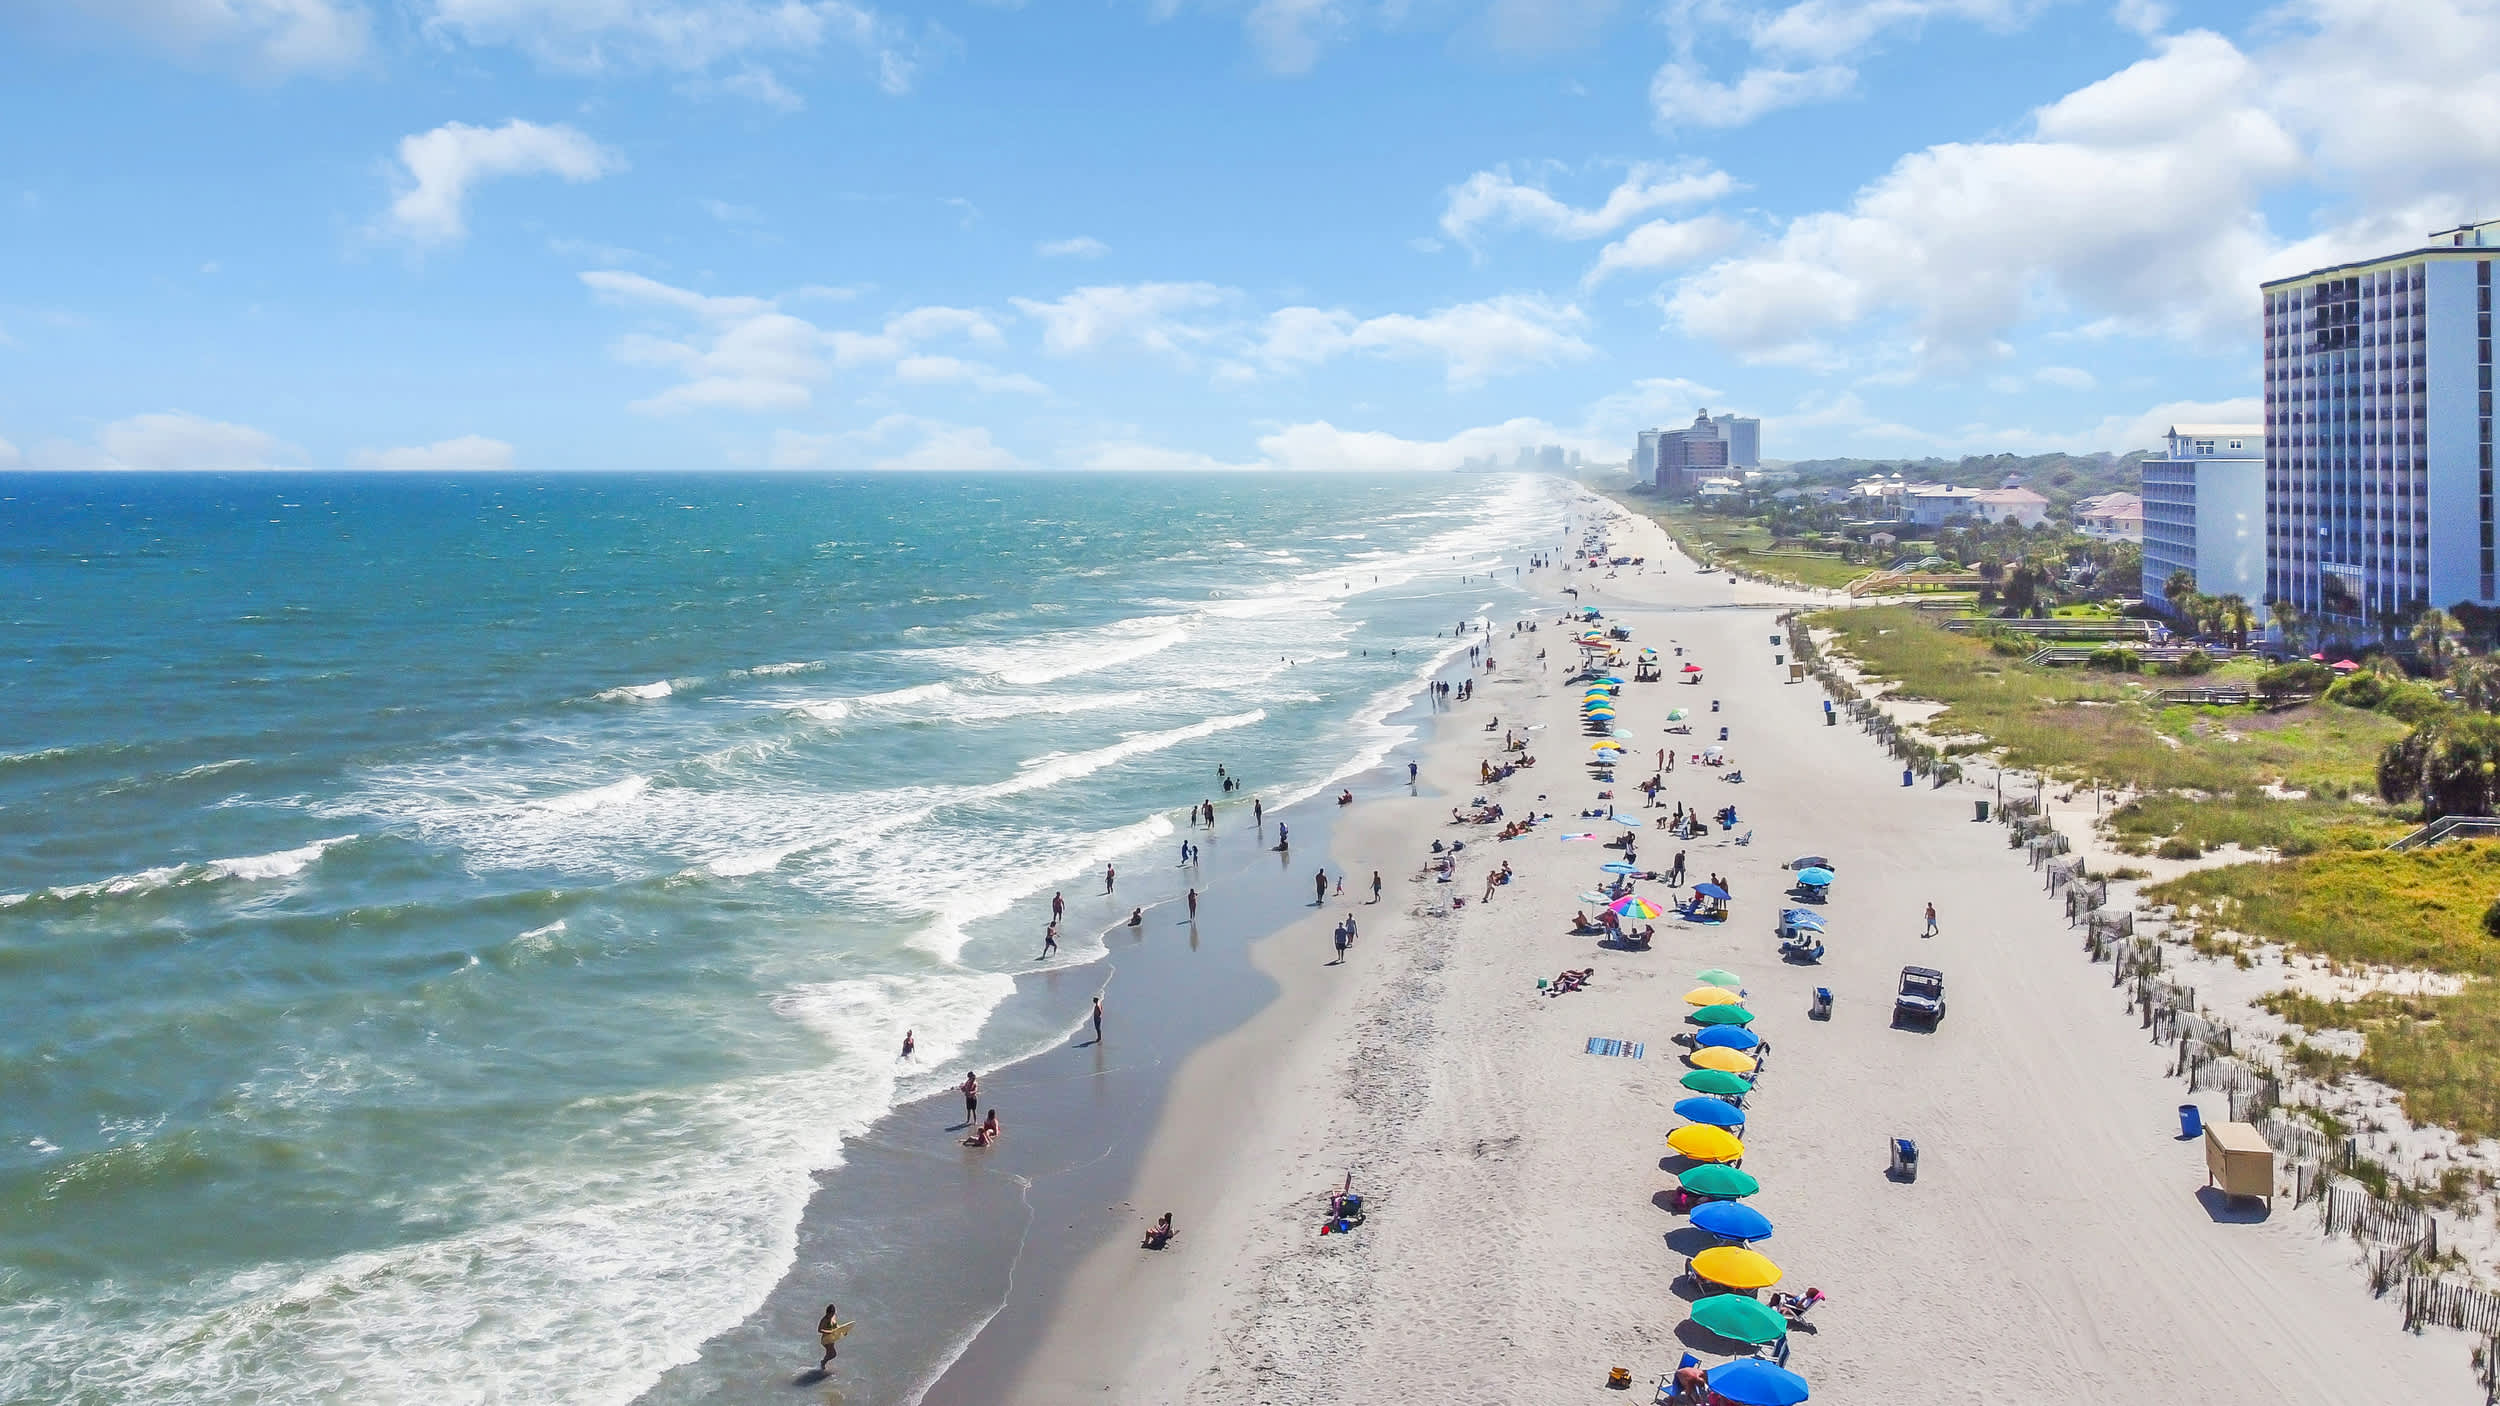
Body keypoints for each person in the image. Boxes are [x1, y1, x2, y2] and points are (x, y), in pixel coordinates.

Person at [817, 1303, 845, 1370]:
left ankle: (823, 1364)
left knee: (830, 1354)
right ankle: (823, 1362)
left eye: (833, 1313)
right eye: (830, 1313)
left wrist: (843, 1331)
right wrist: (830, 1332)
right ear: (827, 1312)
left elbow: (836, 1325)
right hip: (826, 1339)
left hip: (832, 1337)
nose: (831, 1315)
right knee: (833, 1354)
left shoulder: (834, 1316)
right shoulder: (824, 1319)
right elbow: (819, 1330)